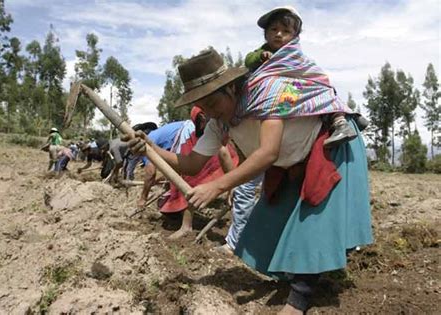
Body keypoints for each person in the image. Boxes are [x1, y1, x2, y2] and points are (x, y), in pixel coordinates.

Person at [125, 47, 372, 314]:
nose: (210, 112)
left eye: (213, 103)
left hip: (329, 146)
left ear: (230, 88)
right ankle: (302, 271)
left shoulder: (265, 93)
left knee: (311, 220)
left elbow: (268, 152)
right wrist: (150, 148)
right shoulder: (218, 122)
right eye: (203, 106)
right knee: (273, 219)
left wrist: (218, 185)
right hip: (292, 161)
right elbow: (191, 165)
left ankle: (299, 299)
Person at [244, 6, 357, 148]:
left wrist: (317, 82)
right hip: (274, 94)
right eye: (274, 29)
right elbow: (248, 60)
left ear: (294, 37)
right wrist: (260, 56)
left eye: (286, 31)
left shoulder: (296, 55)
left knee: (322, 90)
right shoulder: (263, 51)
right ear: (266, 34)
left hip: (295, 88)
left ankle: (340, 122)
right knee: (275, 104)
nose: (279, 34)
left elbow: (309, 72)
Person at [157, 107, 238, 239]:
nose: (202, 123)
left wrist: (232, 185)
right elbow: (188, 163)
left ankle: (235, 236)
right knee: (192, 185)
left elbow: (223, 153)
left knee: (239, 196)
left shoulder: (217, 126)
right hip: (202, 157)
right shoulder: (195, 134)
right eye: (200, 121)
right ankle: (187, 226)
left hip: (226, 160)